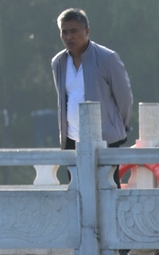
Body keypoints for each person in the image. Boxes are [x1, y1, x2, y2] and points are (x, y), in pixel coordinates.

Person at [51, 9, 133, 175]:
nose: (69, 37)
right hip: (72, 139)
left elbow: (125, 99)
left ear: (87, 31)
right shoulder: (58, 62)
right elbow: (63, 101)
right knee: (76, 187)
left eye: (74, 31)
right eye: (64, 32)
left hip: (105, 139)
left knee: (108, 185)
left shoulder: (107, 58)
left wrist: (116, 126)